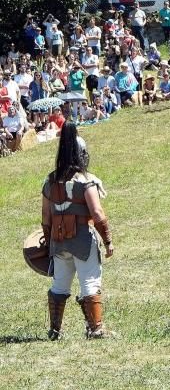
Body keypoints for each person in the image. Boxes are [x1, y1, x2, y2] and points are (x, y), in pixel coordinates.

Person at [41, 124, 113, 340]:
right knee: (90, 281)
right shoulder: (86, 180)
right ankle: (95, 329)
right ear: (82, 155)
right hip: (82, 240)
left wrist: (48, 241)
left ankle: (55, 330)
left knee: (60, 283)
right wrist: (108, 240)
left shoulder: (50, 181)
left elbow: (46, 218)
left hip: (58, 241)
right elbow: (97, 214)